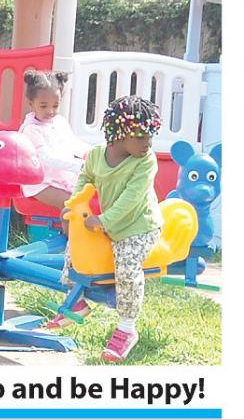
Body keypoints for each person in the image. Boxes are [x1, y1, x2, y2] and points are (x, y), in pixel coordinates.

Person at [49, 95, 163, 363]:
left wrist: (104, 220)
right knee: (75, 248)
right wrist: (73, 205)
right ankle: (76, 300)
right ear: (119, 133)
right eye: (140, 136)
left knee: (127, 265)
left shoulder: (145, 161)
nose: (147, 143)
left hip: (139, 227)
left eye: (150, 136)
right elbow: (85, 179)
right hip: (109, 223)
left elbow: (132, 198)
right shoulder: (96, 156)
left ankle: (127, 328)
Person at [19, 70, 91, 209]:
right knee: (75, 205)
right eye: (43, 106)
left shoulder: (59, 122)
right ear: (31, 103)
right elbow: (47, 158)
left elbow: (73, 143)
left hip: (62, 175)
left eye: (55, 106)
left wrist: (90, 153)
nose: (50, 111)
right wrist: (79, 166)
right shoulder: (31, 130)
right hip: (40, 183)